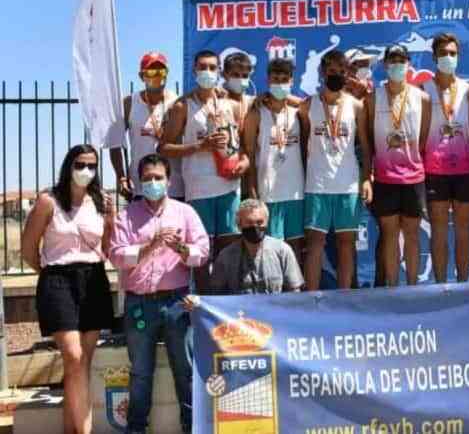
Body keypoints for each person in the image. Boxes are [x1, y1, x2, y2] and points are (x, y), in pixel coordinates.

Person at [108, 153, 209, 434]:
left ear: (168, 180)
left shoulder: (184, 212)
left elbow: (202, 252)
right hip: (139, 303)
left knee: (186, 370)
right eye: (147, 178)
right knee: (140, 372)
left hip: (177, 301)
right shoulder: (127, 215)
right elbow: (115, 255)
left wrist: (182, 250)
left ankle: (193, 426)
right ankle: (137, 428)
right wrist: (147, 247)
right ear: (140, 182)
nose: (152, 182)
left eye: (158, 177)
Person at [20, 144, 115, 434]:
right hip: (58, 279)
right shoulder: (49, 201)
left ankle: (72, 429)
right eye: (80, 164)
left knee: (82, 363)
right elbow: (27, 249)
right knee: (73, 356)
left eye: (92, 165)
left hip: (94, 278)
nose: (86, 171)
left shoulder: (100, 200)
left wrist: (110, 220)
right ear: (68, 166)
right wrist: (49, 275)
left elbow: (107, 249)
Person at [160, 49, 248, 293]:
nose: (207, 72)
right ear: (194, 71)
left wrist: (243, 163)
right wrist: (200, 146)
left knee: (228, 250)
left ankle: (227, 305)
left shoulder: (231, 103)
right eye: (202, 67)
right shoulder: (183, 106)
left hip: (229, 186)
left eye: (212, 67)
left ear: (219, 72)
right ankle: (205, 304)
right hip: (199, 189)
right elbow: (164, 147)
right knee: (201, 252)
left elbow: (243, 146)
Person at [301, 50, 373, 290]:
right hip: (316, 184)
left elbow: (365, 144)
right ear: (322, 72)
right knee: (315, 244)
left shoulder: (356, 106)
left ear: (347, 74)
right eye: (331, 71)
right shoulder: (307, 106)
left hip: (348, 184)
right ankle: (310, 298)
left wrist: (366, 179)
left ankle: (344, 297)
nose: (336, 76)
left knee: (346, 243)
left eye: (341, 72)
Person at [368, 44, 432, 286]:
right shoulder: (374, 97)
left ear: (408, 64)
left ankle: (413, 287)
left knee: (413, 236)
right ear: (385, 65)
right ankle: (393, 288)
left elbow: (423, 138)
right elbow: (369, 139)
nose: (397, 65)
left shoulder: (422, 98)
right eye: (392, 60)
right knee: (390, 236)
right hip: (385, 178)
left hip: (414, 177)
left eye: (401, 60)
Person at [423, 33, 469, 282]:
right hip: (434, 169)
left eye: (452, 54)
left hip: (465, 168)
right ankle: (441, 286)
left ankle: (464, 284)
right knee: (439, 230)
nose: (448, 58)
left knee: (464, 230)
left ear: (459, 57)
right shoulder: (422, 91)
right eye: (443, 53)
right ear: (434, 57)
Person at [242, 57, 306, 261]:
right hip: (268, 192)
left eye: (284, 79)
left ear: (291, 81)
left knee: (295, 245)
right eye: (275, 79)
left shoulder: (299, 111)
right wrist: (252, 188)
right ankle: (274, 291)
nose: (280, 83)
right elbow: (249, 153)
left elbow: (310, 105)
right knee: (270, 247)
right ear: (268, 80)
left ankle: (294, 290)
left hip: (296, 190)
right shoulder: (256, 112)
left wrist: (291, 99)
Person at [110, 51, 185, 203]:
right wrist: (121, 177)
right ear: (141, 75)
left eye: (161, 71)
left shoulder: (178, 103)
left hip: (174, 186)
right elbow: (114, 142)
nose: (157, 76)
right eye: (151, 71)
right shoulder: (129, 103)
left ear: (167, 74)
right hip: (140, 185)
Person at [208, 199, 304, 294]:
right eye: (249, 222)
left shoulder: (283, 251)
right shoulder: (226, 256)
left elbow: (294, 291)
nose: (254, 227)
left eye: (259, 222)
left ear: (267, 223)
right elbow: (217, 296)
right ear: (239, 225)